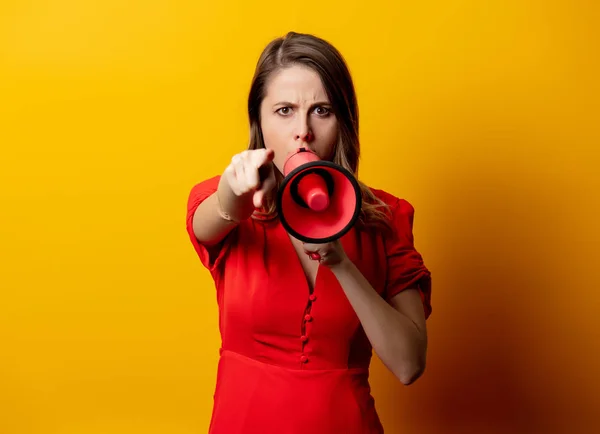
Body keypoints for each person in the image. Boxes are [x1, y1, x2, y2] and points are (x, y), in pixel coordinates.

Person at [186, 31, 432, 434]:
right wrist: (238, 190)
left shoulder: (387, 217)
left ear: (343, 121)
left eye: (321, 110)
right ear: (259, 121)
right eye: (284, 110)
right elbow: (214, 218)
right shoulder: (223, 200)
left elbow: (409, 365)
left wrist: (341, 262)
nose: (303, 130)